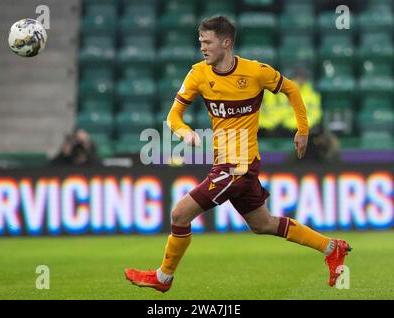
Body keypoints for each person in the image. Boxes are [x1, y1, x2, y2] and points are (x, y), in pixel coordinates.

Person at [125, 16, 351, 292]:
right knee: (263, 223)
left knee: (179, 215)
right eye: (200, 43)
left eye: (207, 42)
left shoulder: (255, 72)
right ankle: (331, 248)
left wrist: (302, 130)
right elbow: (174, 115)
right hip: (228, 163)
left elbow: (291, 89)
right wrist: (185, 132)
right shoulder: (198, 74)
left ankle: (163, 278)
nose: (203, 48)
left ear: (226, 42)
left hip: (238, 166)